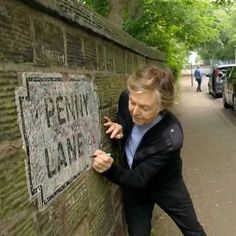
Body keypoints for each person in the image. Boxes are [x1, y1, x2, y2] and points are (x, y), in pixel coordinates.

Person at [92, 65, 206, 236]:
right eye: (132, 102)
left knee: (193, 231)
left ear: (162, 106)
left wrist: (110, 169)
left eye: (145, 108)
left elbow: (139, 178)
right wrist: (121, 127)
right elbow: (127, 120)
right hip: (134, 188)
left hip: (166, 186)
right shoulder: (128, 98)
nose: (135, 111)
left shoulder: (170, 138)